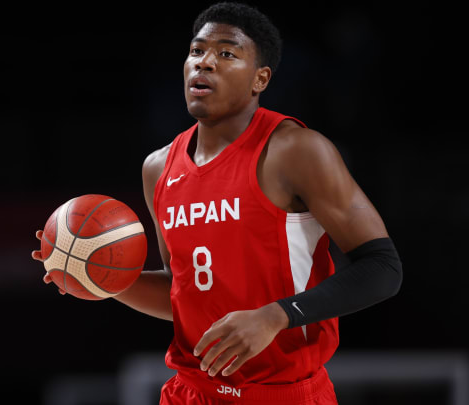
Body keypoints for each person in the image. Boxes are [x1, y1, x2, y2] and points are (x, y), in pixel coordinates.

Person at [32, 2, 402, 404]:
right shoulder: (158, 168)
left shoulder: (295, 150)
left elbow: (383, 268)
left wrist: (277, 315)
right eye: (196, 51)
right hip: (191, 393)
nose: (204, 63)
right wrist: (98, 273)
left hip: (284, 394)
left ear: (260, 78)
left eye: (226, 53)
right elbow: (184, 293)